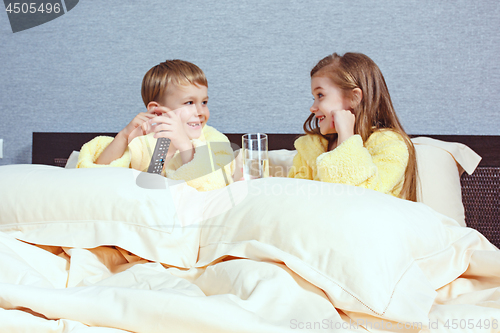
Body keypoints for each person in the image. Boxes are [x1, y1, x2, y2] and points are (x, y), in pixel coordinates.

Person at [77, 59, 235, 191]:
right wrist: (124, 136)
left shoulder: (215, 140)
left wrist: (185, 145)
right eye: (189, 102)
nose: (200, 111)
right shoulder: (143, 141)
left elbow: (217, 184)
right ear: (158, 111)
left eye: (204, 102)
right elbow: (97, 177)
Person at [288, 52, 417, 201]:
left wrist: (346, 137)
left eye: (320, 95)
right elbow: (296, 198)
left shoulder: (390, 146)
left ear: (353, 98)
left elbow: (360, 198)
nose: (313, 107)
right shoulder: (309, 148)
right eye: (313, 97)